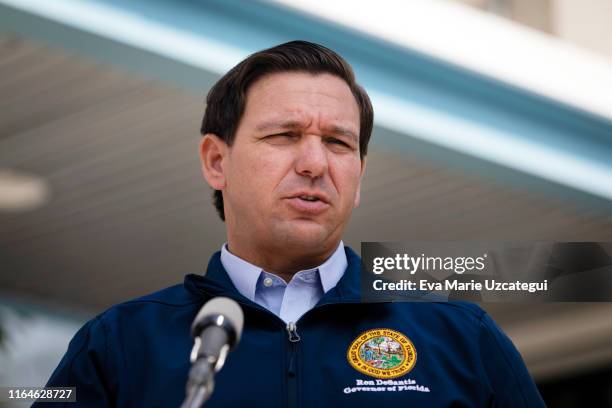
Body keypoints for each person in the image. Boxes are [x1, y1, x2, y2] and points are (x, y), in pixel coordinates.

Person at [36, 41, 545, 407]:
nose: (314, 163)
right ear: (217, 161)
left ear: (359, 176)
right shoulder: (122, 345)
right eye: (284, 135)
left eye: (338, 143)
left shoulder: (459, 336)